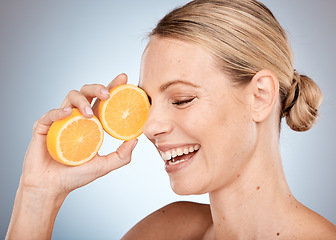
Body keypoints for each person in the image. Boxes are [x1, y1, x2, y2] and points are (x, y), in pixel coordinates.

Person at [6, 0, 336, 239]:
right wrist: (39, 195)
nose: (150, 127)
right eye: (146, 103)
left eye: (181, 99)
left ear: (260, 96)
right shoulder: (165, 230)